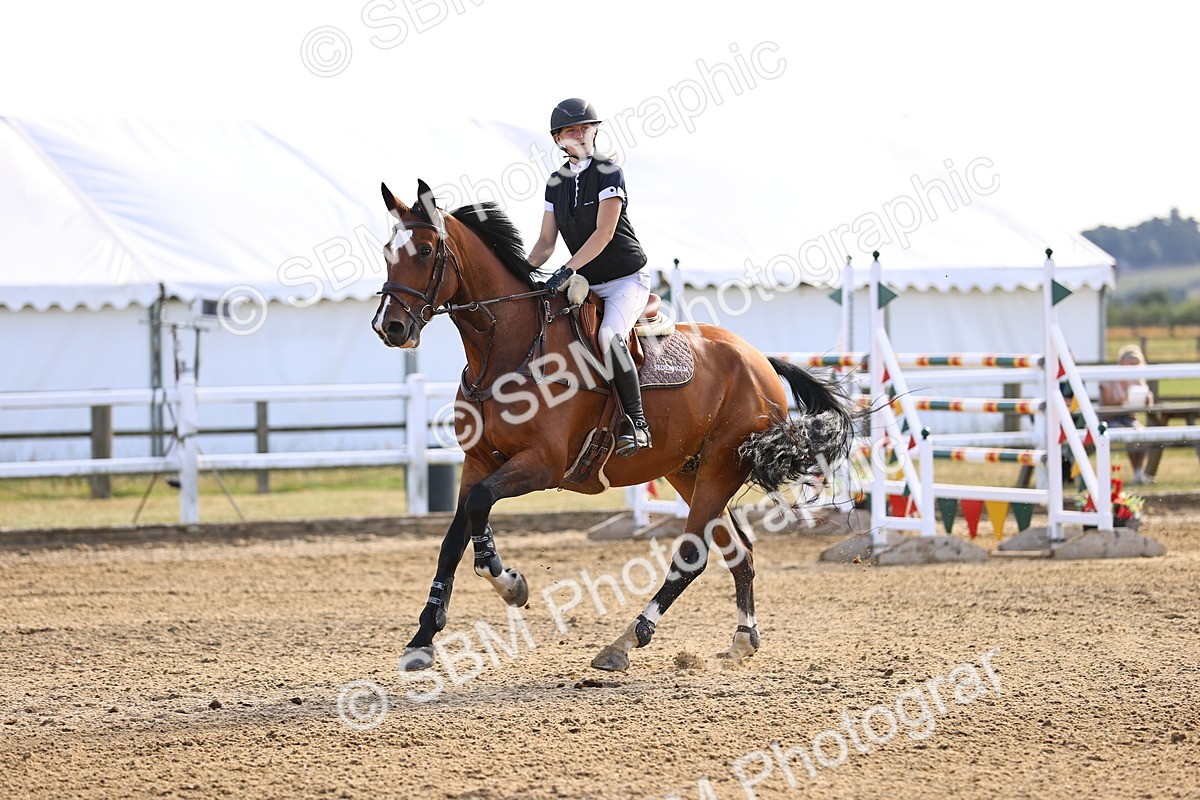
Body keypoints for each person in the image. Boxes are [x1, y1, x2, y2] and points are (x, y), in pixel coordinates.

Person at [528, 98, 652, 457]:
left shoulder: (609, 173)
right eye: (571, 130)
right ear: (558, 140)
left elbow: (604, 234)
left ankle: (638, 423)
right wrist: (520, 270)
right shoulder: (554, 184)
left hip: (625, 280)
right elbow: (545, 243)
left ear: (595, 131)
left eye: (585, 127)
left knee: (610, 335)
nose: (579, 134)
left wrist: (567, 270)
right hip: (586, 281)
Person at [1099, 344, 1154, 484]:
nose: (1133, 367)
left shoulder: (1137, 379)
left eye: (1136, 364)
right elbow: (1105, 406)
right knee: (1128, 433)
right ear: (1122, 362)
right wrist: (1121, 401)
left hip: (1128, 417)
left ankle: (1138, 472)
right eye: (1131, 364)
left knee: (1140, 433)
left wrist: (1147, 400)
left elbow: (1144, 407)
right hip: (1109, 419)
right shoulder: (1108, 379)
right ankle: (1137, 473)